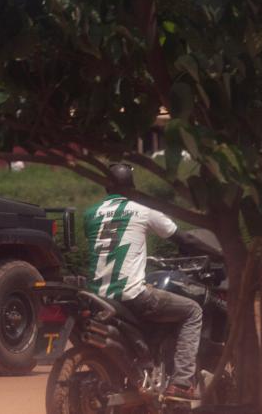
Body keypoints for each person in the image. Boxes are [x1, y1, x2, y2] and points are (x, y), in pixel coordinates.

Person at [85, 163, 202, 402]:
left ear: (107, 186)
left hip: (99, 296)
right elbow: (183, 238)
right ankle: (181, 382)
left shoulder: (91, 214)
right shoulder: (142, 210)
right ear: (133, 187)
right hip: (132, 295)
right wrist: (219, 254)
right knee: (193, 311)